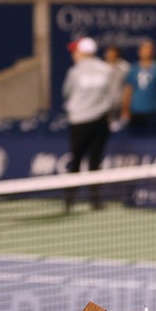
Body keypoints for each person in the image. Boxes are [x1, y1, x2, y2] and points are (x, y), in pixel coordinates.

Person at [62, 37, 119, 211]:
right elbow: (113, 98)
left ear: (83, 53)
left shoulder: (75, 71)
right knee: (95, 162)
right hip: (100, 121)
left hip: (79, 122)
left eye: (76, 51)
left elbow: (66, 92)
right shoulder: (106, 69)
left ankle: (70, 201)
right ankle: (95, 201)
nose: (73, 54)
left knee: (76, 161)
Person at [121, 39, 156, 136]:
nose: (147, 52)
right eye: (144, 49)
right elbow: (128, 90)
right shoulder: (133, 69)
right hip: (135, 111)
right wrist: (125, 108)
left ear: (153, 52)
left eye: (149, 49)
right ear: (139, 51)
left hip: (153, 111)